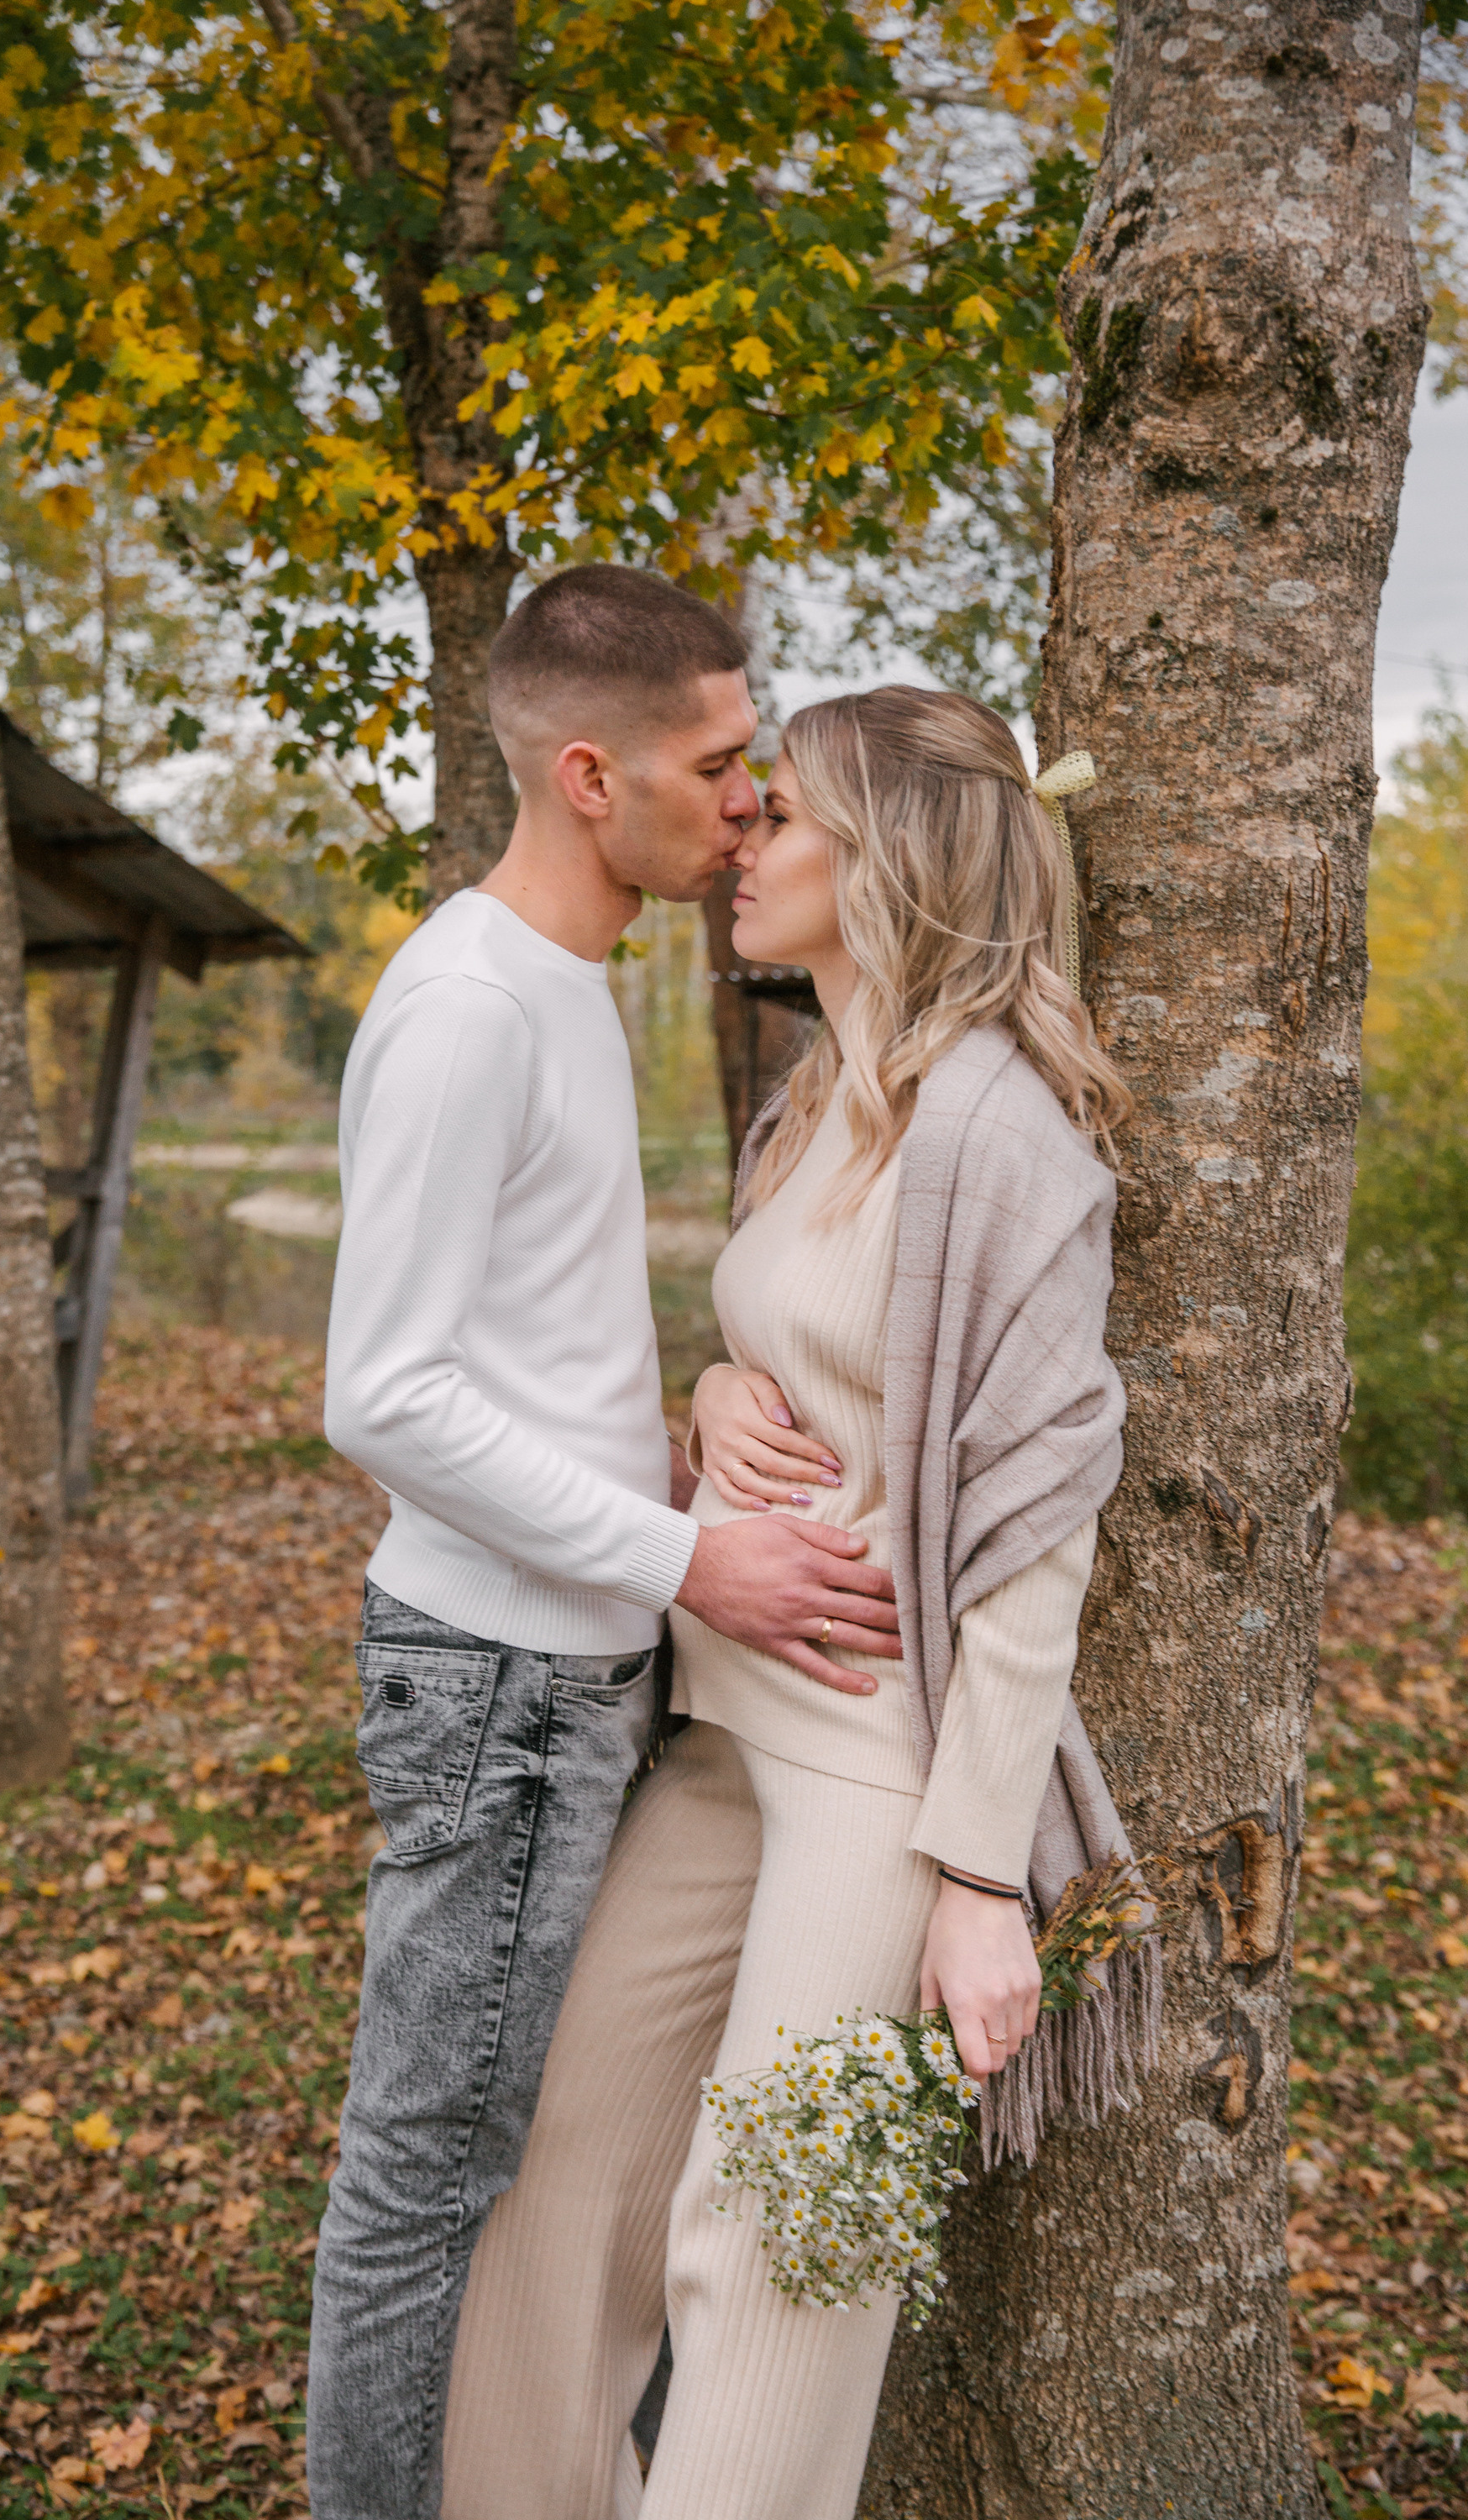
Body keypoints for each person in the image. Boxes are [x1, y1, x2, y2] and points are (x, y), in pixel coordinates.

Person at [440, 685, 1135, 2520]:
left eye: (785, 816)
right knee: (559, 2197)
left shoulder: (1007, 1144)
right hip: (721, 1737)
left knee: (776, 2250)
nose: (741, 838)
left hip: (881, 1783)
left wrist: (981, 1874)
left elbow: (1033, 1530)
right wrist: (720, 1390)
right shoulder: (818, 1101)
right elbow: (808, 1356)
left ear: (890, 859)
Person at [307, 567, 910, 2520]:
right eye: (721, 764)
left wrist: (683, 1427)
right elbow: (381, 1391)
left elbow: (512, 1345)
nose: (746, 802)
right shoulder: (472, 1004)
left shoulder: (565, 993)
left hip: (579, 1671)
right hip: (498, 1685)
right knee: (426, 2184)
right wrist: (684, 1560)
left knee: (527, 2169)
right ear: (589, 773)